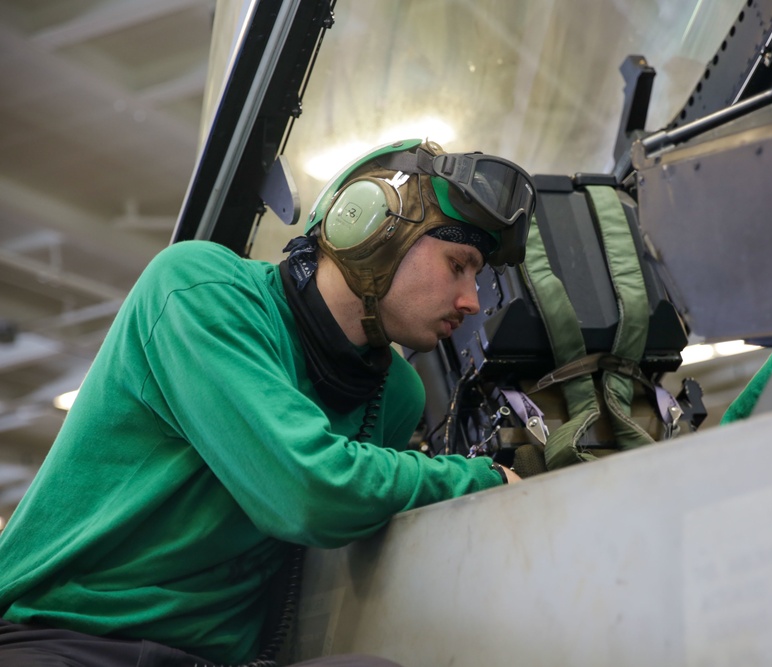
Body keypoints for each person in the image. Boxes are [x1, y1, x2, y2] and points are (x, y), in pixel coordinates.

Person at [0, 138, 536, 667]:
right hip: (58, 641)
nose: (471, 301)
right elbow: (309, 492)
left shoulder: (396, 393)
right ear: (369, 228)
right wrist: (481, 479)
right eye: (457, 265)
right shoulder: (198, 288)